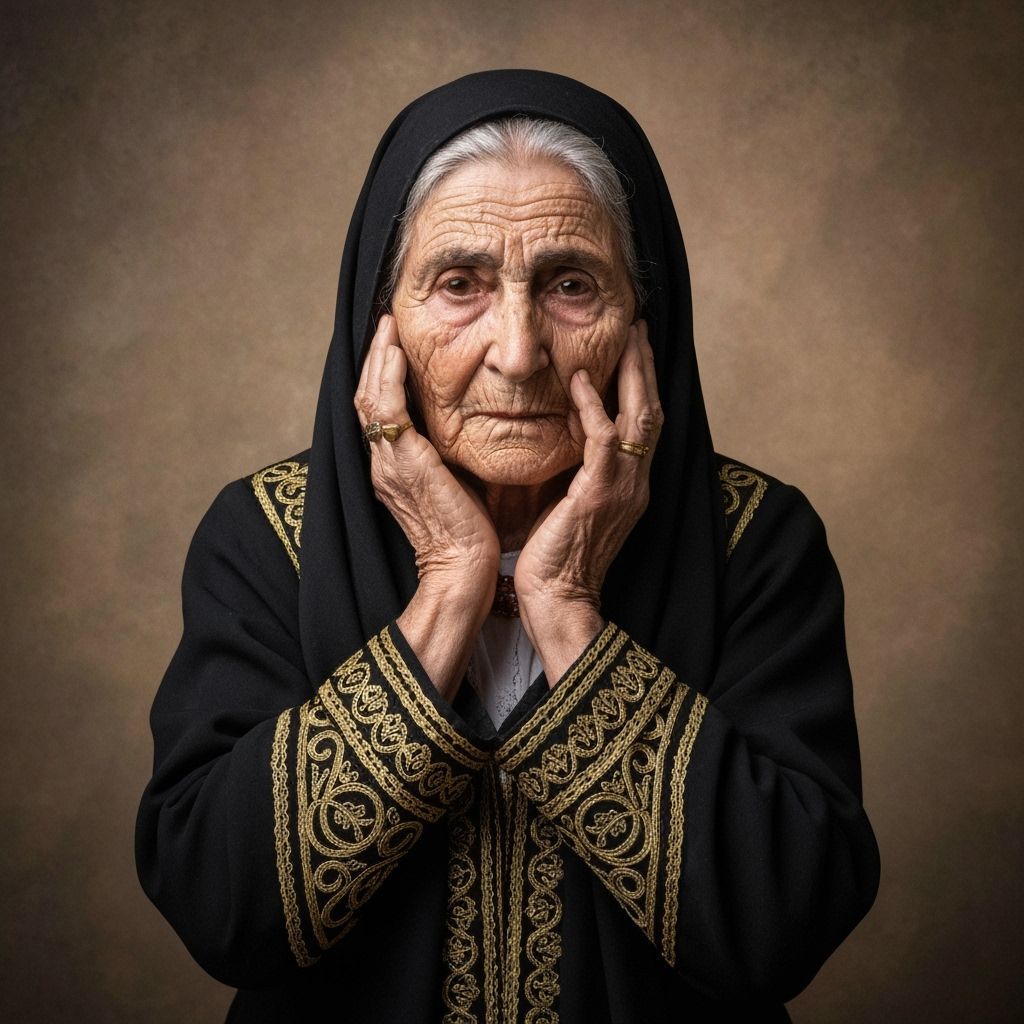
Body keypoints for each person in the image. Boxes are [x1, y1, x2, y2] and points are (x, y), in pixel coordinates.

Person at [136, 70, 880, 1023]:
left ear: (642, 323)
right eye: (459, 284)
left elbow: (781, 925)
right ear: (383, 324)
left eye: (572, 284)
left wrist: (565, 605)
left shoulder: (754, 541)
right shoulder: (267, 535)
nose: (519, 350)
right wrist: (450, 588)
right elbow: (220, 909)